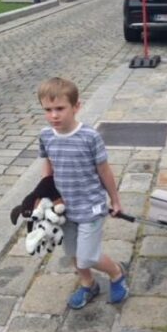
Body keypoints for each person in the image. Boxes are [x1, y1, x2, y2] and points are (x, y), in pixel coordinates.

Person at [37, 77, 129, 309]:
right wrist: (43, 196)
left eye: (60, 108)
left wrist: (115, 199)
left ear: (76, 106)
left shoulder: (89, 137)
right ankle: (88, 285)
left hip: (91, 206)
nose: (54, 115)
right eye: (48, 110)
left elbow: (104, 170)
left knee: (88, 255)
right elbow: (48, 166)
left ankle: (116, 273)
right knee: (74, 253)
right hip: (64, 207)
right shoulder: (46, 136)